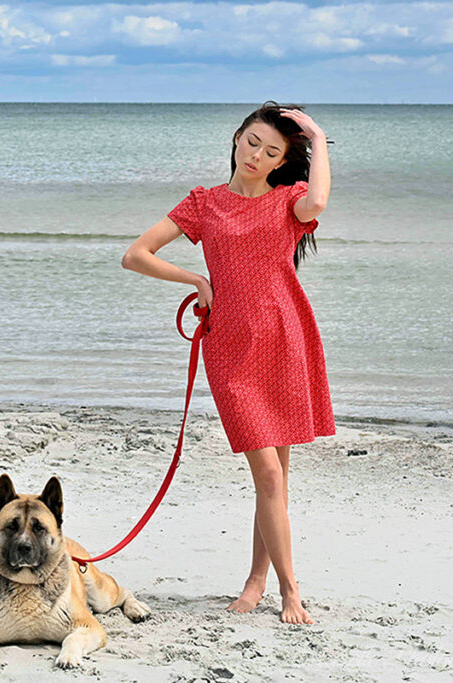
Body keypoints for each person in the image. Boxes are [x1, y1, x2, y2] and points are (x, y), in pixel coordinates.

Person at [121, 101, 335, 625]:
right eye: (252, 141)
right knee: (266, 472)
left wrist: (318, 136)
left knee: (275, 478)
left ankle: (258, 581)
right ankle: (291, 591)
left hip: (286, 337)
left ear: (284, 161)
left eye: (272, 150)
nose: (256, 155)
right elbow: (136, 254)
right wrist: (195, 280)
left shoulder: (291, 202)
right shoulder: (204, 203)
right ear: (237, 138)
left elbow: (321, 200)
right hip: (232, 350)